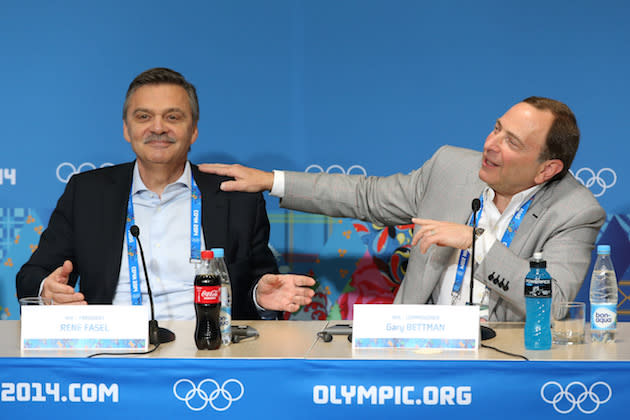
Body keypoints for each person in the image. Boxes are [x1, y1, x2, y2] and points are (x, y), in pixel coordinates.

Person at [199, 97, 605, 321]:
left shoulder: (574, 211)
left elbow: (550, 304)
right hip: (415, 347)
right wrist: (272, 181)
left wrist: (475, 242)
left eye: (512, 142)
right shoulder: (452, 167)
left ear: (547, 168)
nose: (491, 144)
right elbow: (366, 196)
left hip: (507, 364)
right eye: (496, 127)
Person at [16, 67, 314, 320]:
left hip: (210, 355)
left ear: (193, 130)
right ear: (126, 129)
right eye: (144, 117)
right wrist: (46, 289)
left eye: (172, 117)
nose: (158, 128)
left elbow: (258, 287)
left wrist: (260, 298)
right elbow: (32, 274)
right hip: (110, 354)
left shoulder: (236, 197)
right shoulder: (87, 193)